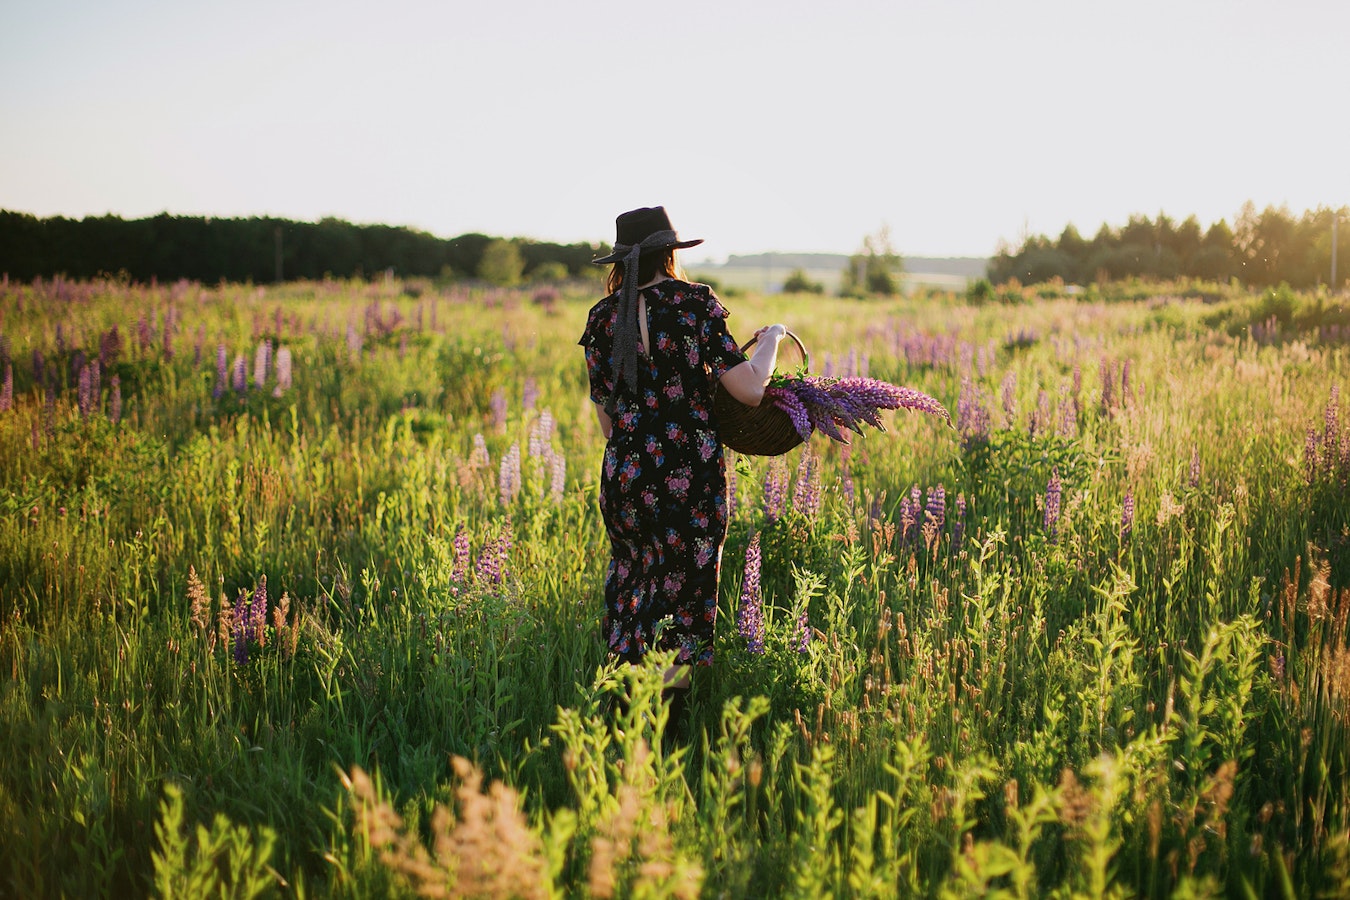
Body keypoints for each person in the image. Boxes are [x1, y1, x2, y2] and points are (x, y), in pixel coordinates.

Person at [578, 206, 787, 717]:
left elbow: (607, 422)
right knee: (684, 594)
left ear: (621, 260)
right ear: (669, 253)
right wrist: (772, 341)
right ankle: (666, 724)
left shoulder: (602, 318)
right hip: (689, 474)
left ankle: (625, 713)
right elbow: (750, 390)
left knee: (634, 584)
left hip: (625, 475)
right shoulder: (694, 303)